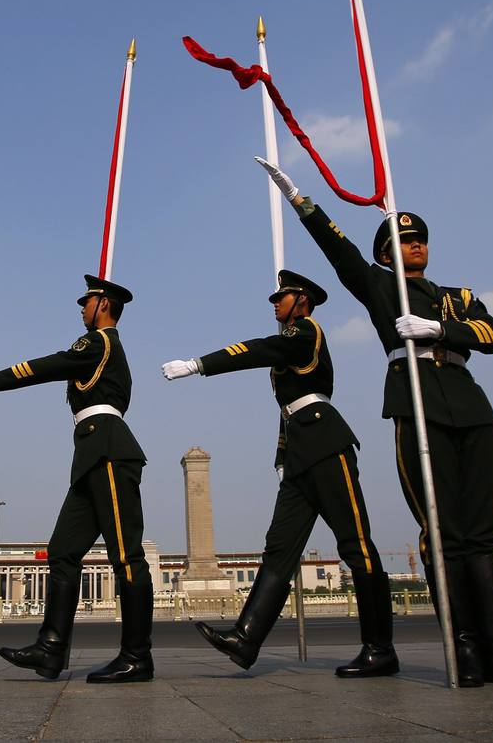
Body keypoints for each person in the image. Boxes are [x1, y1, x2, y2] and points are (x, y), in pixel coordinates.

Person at [258, 156, 493, 686]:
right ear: (385, 254)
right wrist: (302, 203)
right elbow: (340, 253)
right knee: (441, 530)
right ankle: (464, 647)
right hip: (415, 405)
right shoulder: (380, 290)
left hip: (471, 409)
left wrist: (442, 330)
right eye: (403, 240)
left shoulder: (458, 298)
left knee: (482, 532)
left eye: (420, 238)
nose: (415, 245)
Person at [163, 270, 398, 677]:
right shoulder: (292, 341)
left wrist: (199, 365)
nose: (274, 304)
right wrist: (282, 455)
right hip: (300, 454)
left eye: (281, 297)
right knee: (279, 550)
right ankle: (246, 638)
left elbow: (259, 350)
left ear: (302, 300)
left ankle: (380, 648)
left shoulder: (305, 332)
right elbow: (288, 410)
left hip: (326, 443)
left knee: (356, 545)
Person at [0, 275, 153, 684]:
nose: (80, 307)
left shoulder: (98, 342)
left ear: (103, 304)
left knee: (126, 554)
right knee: (63, 552)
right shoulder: (101, 347)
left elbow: (52, 364)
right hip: (90, 454)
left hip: (109, 451)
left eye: (86, 301)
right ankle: (50, 649)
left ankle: (137, 656)